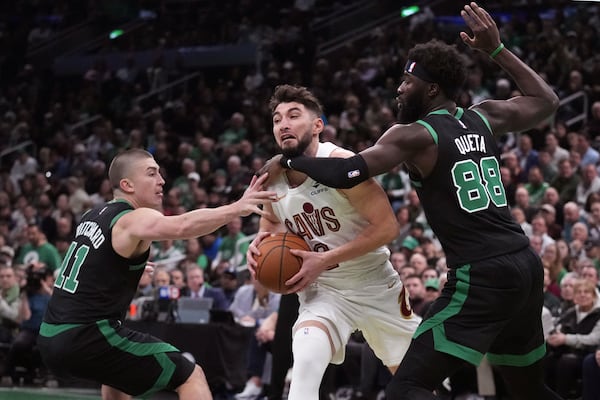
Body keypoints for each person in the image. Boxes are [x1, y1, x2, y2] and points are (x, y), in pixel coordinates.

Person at [261, 4, 561, 399]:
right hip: (524, 265)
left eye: (407, 81)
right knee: (529, 391)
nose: (399, 89)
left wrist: (286, 159)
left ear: (431, 88)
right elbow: (547, 101)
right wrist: (497, 50)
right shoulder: (483, 116)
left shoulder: (414, 134)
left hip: (481, 274)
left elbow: (347, 172)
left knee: (407, 388)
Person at [36, 149, 275, 400]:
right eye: (151, 174)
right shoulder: (130, 217)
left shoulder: (91, 216)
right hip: (86, 335)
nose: (161, 180)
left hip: (51, 336)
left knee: (117, 377)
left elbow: (87, 271)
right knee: (191, 376)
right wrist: (236, 208)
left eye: (160, 173)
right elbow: (182, 226)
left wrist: (123, 272)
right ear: (127, 185)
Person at [246, 84, 420, 400]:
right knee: (304, 370)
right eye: (276, 119)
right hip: (323, 292)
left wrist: (324, 259)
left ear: (317, 126)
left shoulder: (341, 163)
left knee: (415, 384)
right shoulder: (272, 177)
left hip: (375, 285)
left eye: (293, 115)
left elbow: (387, 228)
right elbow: (271, 220)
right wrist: (261, 242)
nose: (283, 124)